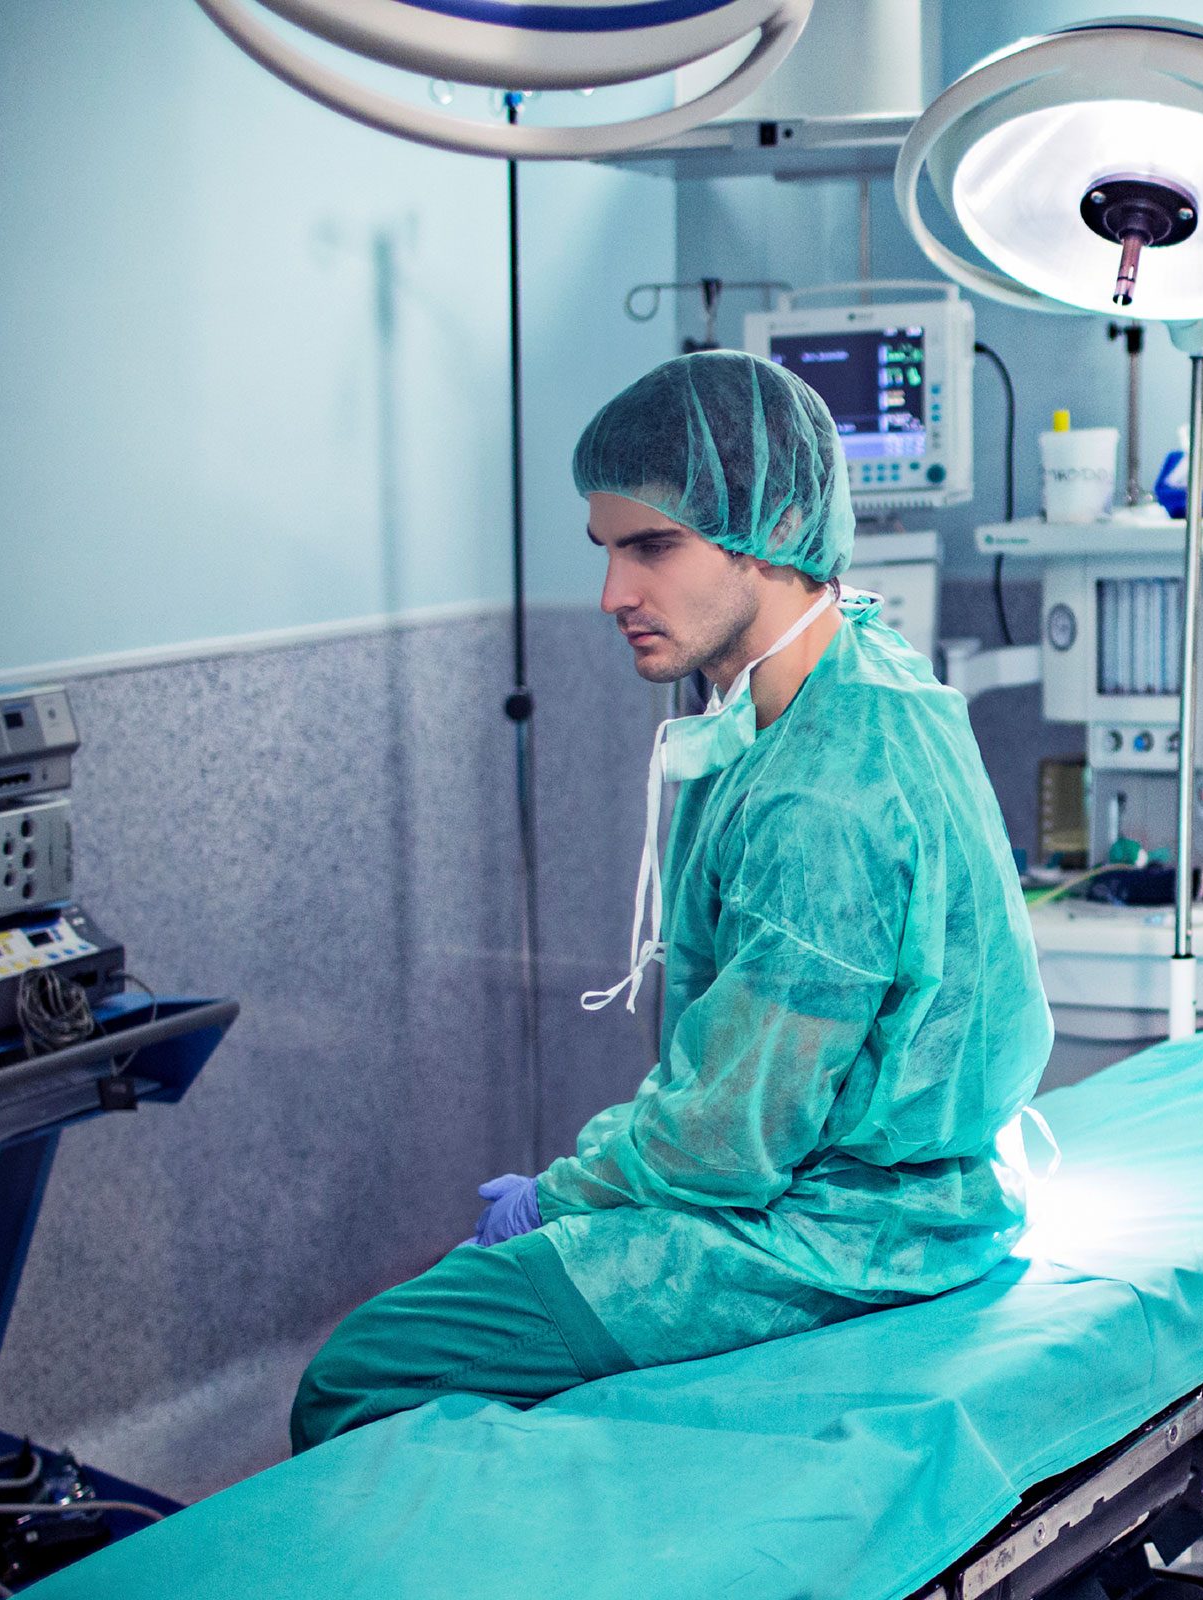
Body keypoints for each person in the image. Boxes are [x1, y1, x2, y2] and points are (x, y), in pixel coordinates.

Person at [291, 350, 1052, 1452]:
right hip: (923, 1192)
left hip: (841, 1231)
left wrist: (559, 1197)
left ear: (775, 527)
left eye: (652, 547)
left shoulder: (820, 795)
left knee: (362, 1369)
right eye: (605, 550)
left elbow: (728, 1144)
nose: (613, 595)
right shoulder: (857, 674)